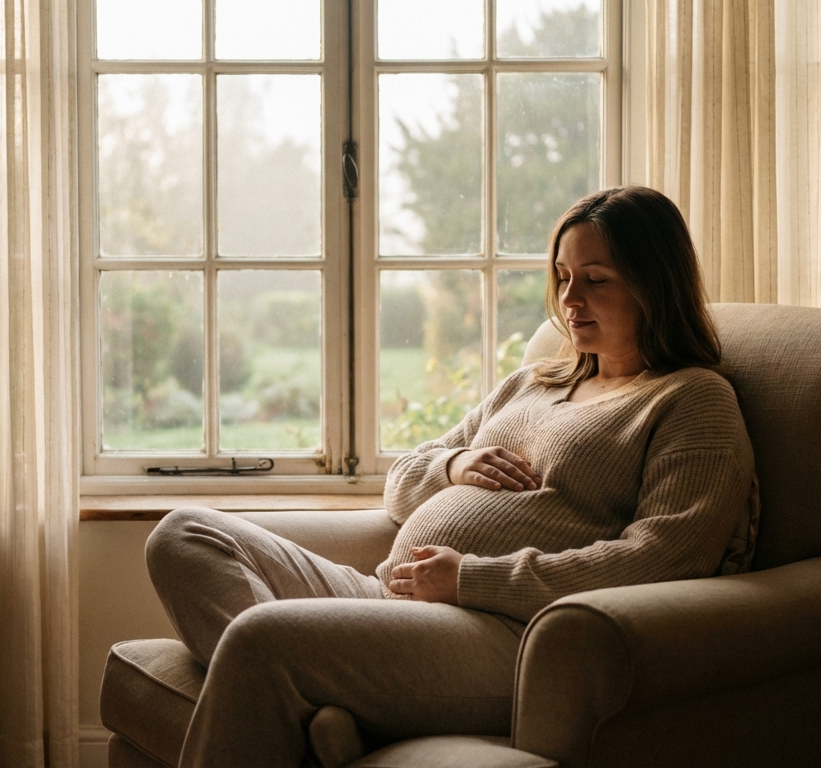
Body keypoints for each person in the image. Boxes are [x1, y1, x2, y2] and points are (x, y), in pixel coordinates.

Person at [145, 185, 757, 767]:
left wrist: (469, 579)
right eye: (563, 277)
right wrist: (453, 464)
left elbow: (664, 559)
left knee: (261, 638)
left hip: (503, 633)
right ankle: (323, 710)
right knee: (182, 535)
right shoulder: (532, 383)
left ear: (655, 286)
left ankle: (314, 691)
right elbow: (400, 484)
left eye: (596, 280)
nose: (570, 300)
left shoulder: (691, 399)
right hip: (387, 596)